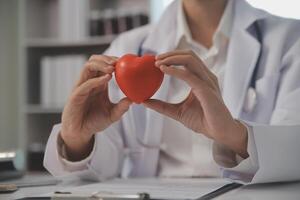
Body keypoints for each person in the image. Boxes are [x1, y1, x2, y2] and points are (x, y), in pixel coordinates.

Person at [44, 0, 300, 183]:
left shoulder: (290, 40)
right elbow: (103, 167)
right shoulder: (128, 47)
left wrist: (234, 135)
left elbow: (294, 153)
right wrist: (78, 140)